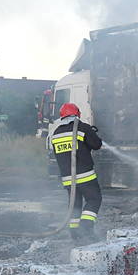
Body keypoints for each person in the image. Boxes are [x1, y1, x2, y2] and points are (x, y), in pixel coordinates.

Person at [48, 103, 103, 243]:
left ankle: (74, 233)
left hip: (68, 178)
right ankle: (86, 227)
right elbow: (97, 145)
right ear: (77, 114)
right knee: (94, 199)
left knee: (75, 205)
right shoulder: (82, 128)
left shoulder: (56, 133)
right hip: (85, 176)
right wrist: (91, 133)